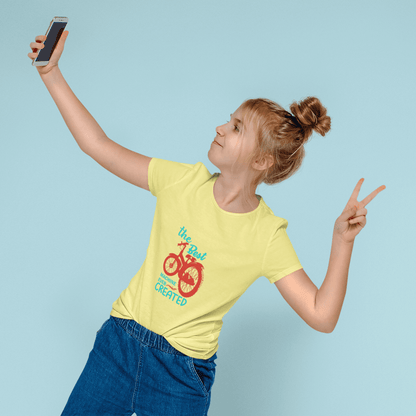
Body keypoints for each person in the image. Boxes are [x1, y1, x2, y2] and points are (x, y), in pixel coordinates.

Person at [28, 31, 386, 416]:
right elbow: (98, 144)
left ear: (262, 161)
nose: (220, 128)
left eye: (236, 128)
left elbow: (322, 315)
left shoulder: (266, 235)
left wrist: (342, 242)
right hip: (119, 344)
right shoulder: (181, 181)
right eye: (228, 121)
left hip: (180, 374)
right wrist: (51, 73)